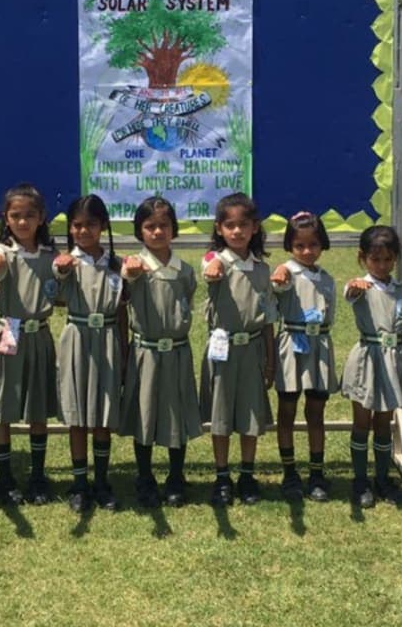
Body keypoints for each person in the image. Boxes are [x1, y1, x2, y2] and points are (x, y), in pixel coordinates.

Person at [0, 183, 59, 506]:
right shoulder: (2, 251)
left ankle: (37, 475)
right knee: (4, 407)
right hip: (9, 332)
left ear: (41, 217)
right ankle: (5, 476)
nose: (23, 222)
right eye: (15, 216)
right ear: (5, 218)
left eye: (30, 215)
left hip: (39, 335)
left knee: (38, 406)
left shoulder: (50, 255)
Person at [120, 196, 201, 508]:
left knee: (175, 412)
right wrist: (129, 274)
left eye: (164, 225)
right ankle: (144, 477)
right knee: (144, 413)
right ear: (139, 231)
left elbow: (187, 301)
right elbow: (124, 291)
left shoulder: (184, 271)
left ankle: (176, 477)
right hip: (146, 353)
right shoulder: (134, 267)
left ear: (174, 229)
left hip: (177, 352)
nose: (157, 232)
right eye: (149, 226)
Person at [200, 192, 277, 506]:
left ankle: (247, 474)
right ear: (219, 229)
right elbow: (209, 266)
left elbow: (268, 318)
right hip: (223, 350)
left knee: (250, 414)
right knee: (220, 416)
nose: (236, 231)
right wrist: (213, 265)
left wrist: (270, 360)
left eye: (243, 225)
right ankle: (222, 476)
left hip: (253, 350)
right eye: (229, 225)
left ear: (254, 227)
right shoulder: (216, 261)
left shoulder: (262, 269)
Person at [53, 194, 127, 512]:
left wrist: (124, 350)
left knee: (102, 414)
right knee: (78, 415)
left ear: (103, 226)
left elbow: (122, 311)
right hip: (77, 338)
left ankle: (101, 481)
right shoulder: (65, 263)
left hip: (108, 338)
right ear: (70, 228)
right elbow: (53, 296)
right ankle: (79, 483)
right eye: (77, 225)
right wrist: (60, 272)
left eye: (91, 225)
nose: (84, 231)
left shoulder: (117, 265)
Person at [341, 225, 402, 507]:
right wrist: (355, 286)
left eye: (388, 259)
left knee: (384, 421)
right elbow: (350, 292)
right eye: (375, 259)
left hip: (392, 360)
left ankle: (383, 478)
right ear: (363, 258)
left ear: (395, 258)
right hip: (367, 361)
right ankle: (360, 480)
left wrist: (397, 343)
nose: (382, 265)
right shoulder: (361, 286)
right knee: (362, 420)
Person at [270, 211, 338, 502]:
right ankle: (289, 472)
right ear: (290, 246)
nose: (307, 251)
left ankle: (316, 472)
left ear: (322, 244)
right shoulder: (286, 272)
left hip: (319, 346)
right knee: (287, 409)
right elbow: (277, 285)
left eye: (313, 245)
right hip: (292, 347)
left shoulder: (327, 278)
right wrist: (280, 273)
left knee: (316, 410)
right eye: (299, 245)